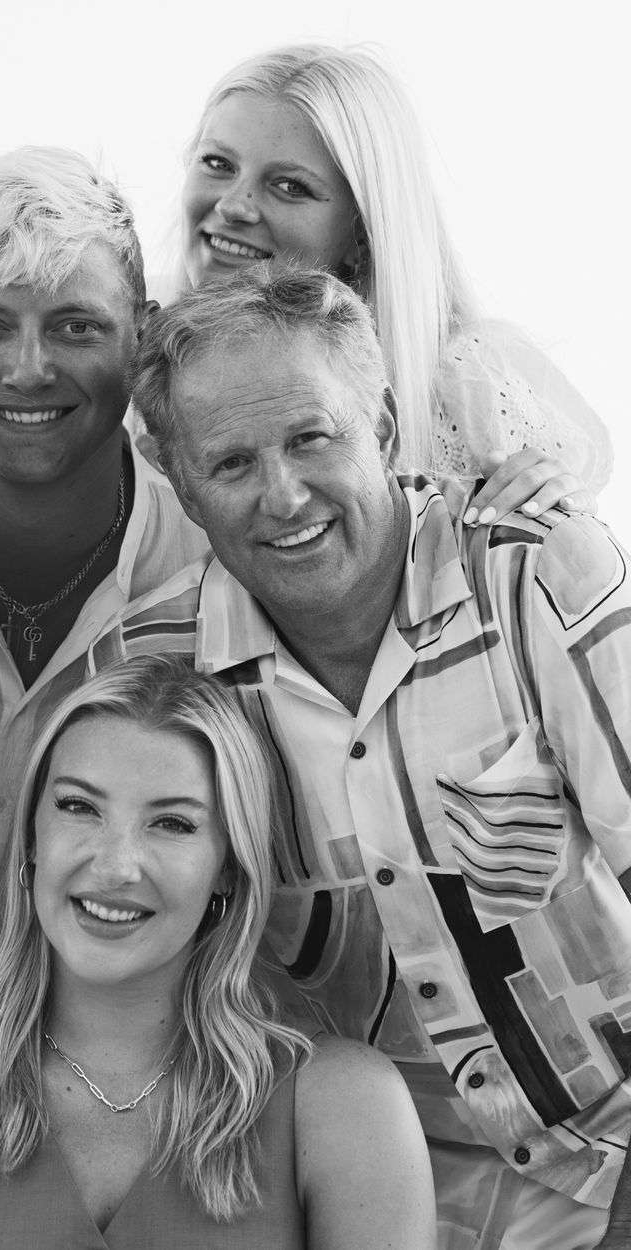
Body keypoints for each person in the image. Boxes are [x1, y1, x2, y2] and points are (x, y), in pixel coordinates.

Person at [0, 146, 601, 1220]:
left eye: (77, 326)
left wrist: (542, 479)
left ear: (136, 339)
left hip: (146, 1013)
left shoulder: (214, 567)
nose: (30, 368)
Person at [90, 267, 631, 1249]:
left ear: (380, 429)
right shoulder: (155, 672)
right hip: (366, 1197)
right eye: (233, 462)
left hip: (612, 1157)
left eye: (312, 437)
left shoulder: (535, 572)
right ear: (180, 483)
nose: (284, 494)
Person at [0, 655, 436, 1249]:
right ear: (32, 837)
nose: (116, 866)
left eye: (172, 823)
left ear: (228, 868)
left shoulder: (345, 1108)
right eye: (80, 807)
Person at [169, 43, 612, 501]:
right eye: (218, 163)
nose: (233, 206)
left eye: (290, 186)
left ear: (363, 232)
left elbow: (564, 535)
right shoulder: (133, 346)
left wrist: (556, 512)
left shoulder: (463, 387)